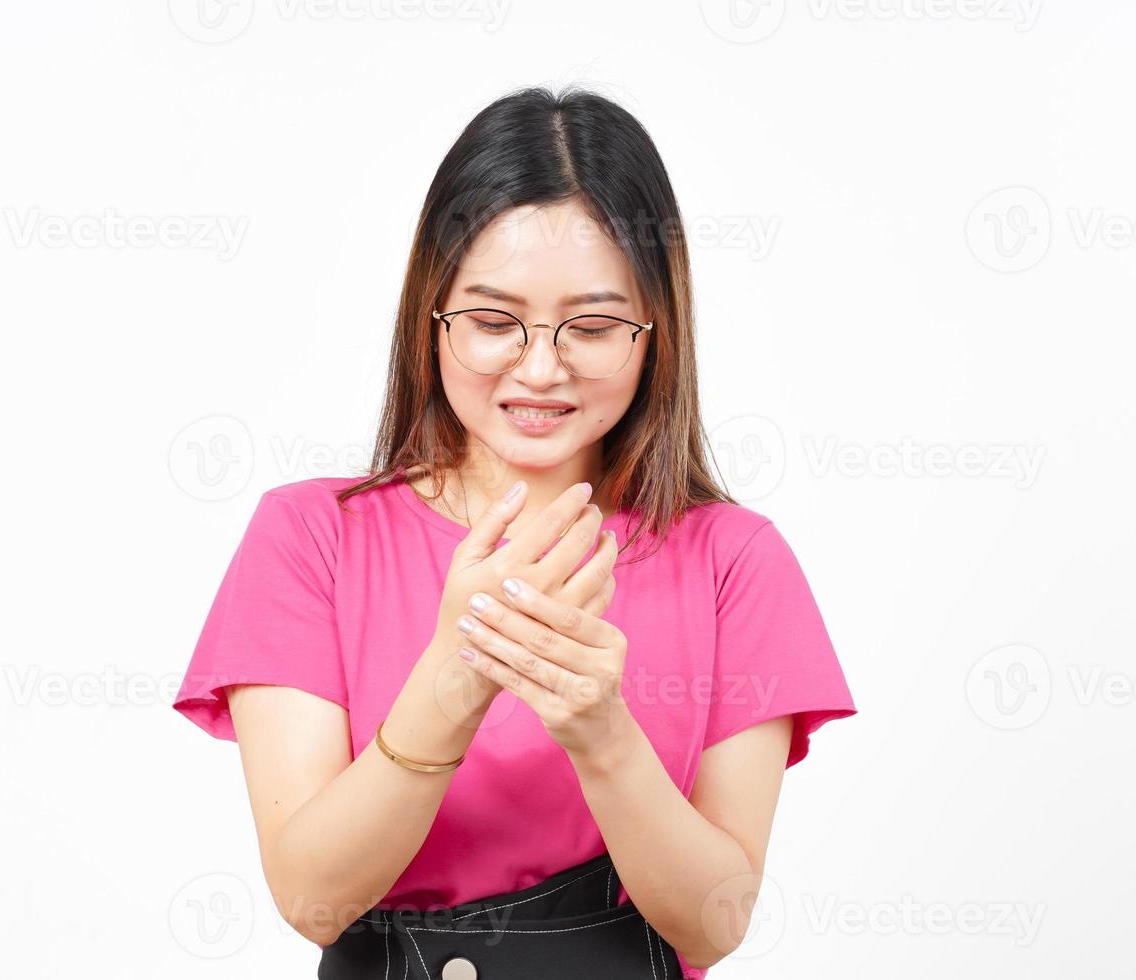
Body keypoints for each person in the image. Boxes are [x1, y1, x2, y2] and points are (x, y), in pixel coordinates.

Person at [172, 84, 858, 980]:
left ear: (659, 331)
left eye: (596, 325)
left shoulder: (733, 559)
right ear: (432, 313)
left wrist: (600, 731)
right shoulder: (312, 537)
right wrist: (456, 678)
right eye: (495, 322)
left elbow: (715, 925)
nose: (540, 366)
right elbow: (313, 900)